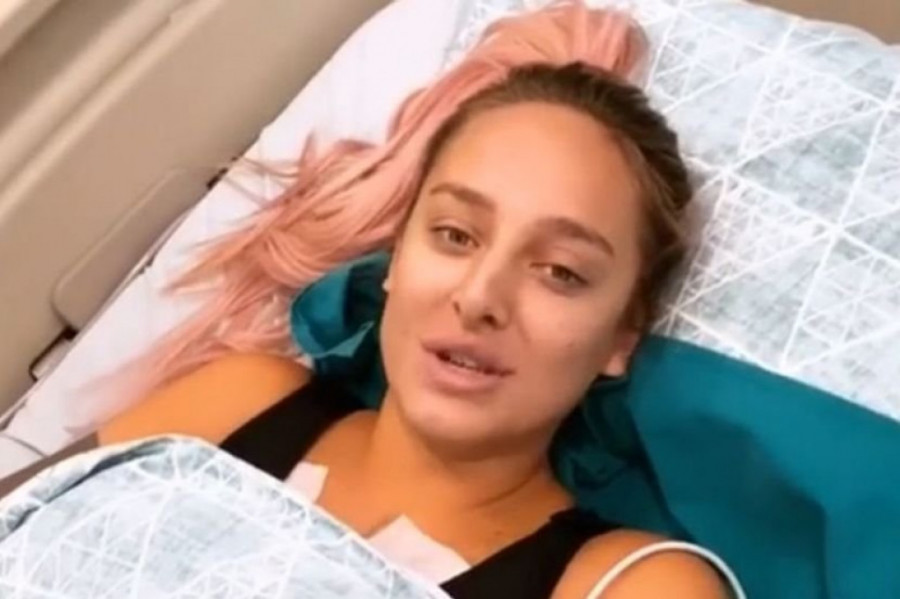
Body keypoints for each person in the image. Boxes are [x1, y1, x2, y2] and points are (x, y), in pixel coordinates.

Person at [0, 4, 731, 597]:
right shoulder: (240, 403)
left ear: (620, 336)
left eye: (560, 272)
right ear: (396, 260)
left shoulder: (631, 585)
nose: (479, 296)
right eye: (454, 234)